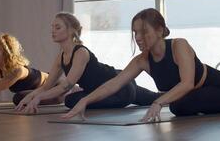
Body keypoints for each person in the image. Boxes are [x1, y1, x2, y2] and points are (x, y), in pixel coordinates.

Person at [62, 8, 220, 121]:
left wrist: (158, 102)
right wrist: (85, 101)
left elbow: (186, 84)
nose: (138, 37)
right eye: (135, 33)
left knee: (180, 106)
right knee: (181, 106)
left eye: (143, 31)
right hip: (191, 96)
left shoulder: (179, 46)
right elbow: (114, 84)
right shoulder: (142, 60)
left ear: (159, 30)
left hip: (218, 86)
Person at [16, 12, 157, 114]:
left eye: (57, 27)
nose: (53, 31)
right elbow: (47, 86)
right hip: (107, 90)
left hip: (120, 88)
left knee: (71, 101)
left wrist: (39, 98)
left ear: (71, 31)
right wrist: (29, 97)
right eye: (52, 27)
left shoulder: (81, 53)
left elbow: (66, 86)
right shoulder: (61, 57)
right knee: (158, 97)